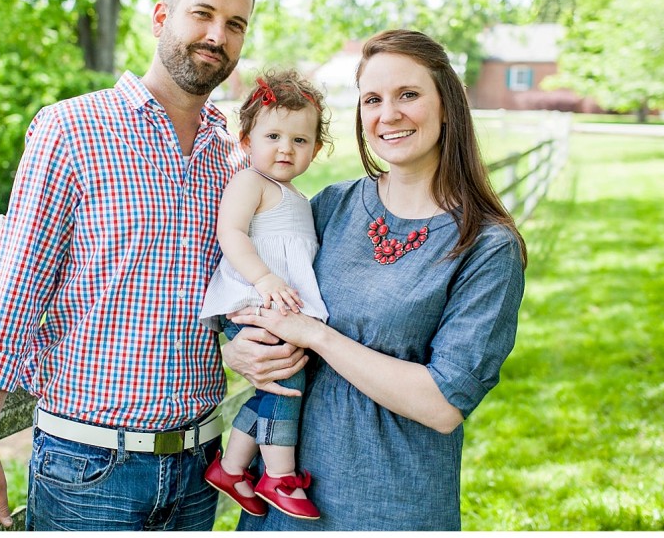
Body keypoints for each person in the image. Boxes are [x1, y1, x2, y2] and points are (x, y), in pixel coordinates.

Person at [0, 0, 307, 532]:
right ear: (162, 16)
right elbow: (14, 294)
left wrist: (237, 344)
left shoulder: (238, 161)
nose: (218, 35)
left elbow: (228, 285)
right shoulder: (69, 130)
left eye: (236, 24)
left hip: (200, 465)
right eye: (203, 14)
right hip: (89, 466)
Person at [224, 29, 526, 531]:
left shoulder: (487, 246)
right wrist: (240, 350)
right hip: (282, 499)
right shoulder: (330, 207)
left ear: (447, 104)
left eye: (408, 94)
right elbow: (249, 283)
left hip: (388, 503)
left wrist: (317, 335)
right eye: (372, 99)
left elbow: (444, 404)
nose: (389, 114)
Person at [198, 69, 332, 521]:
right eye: (273, 135)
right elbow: (231, 234)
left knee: (274, 384)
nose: (285, 148)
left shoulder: (295, 194)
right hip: (255, 300)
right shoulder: (249, 183)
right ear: (246, 139)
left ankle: (232, 468)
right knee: (287, 384)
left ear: (315, 148)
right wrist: (263, 279)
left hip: (275, 303)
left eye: (300, 140)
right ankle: (278, 474)